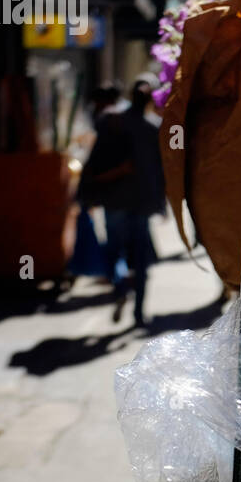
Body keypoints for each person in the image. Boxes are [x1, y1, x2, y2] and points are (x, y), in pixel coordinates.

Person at [80, 82, 165, 327]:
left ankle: (120, 289)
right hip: (140, 202)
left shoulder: (111, 121)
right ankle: (138, 312)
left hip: (115, 200)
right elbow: (160, 172)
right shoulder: (153, 128)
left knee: (115, 251)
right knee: (139, 258)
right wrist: (160, 203)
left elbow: (94, 162)